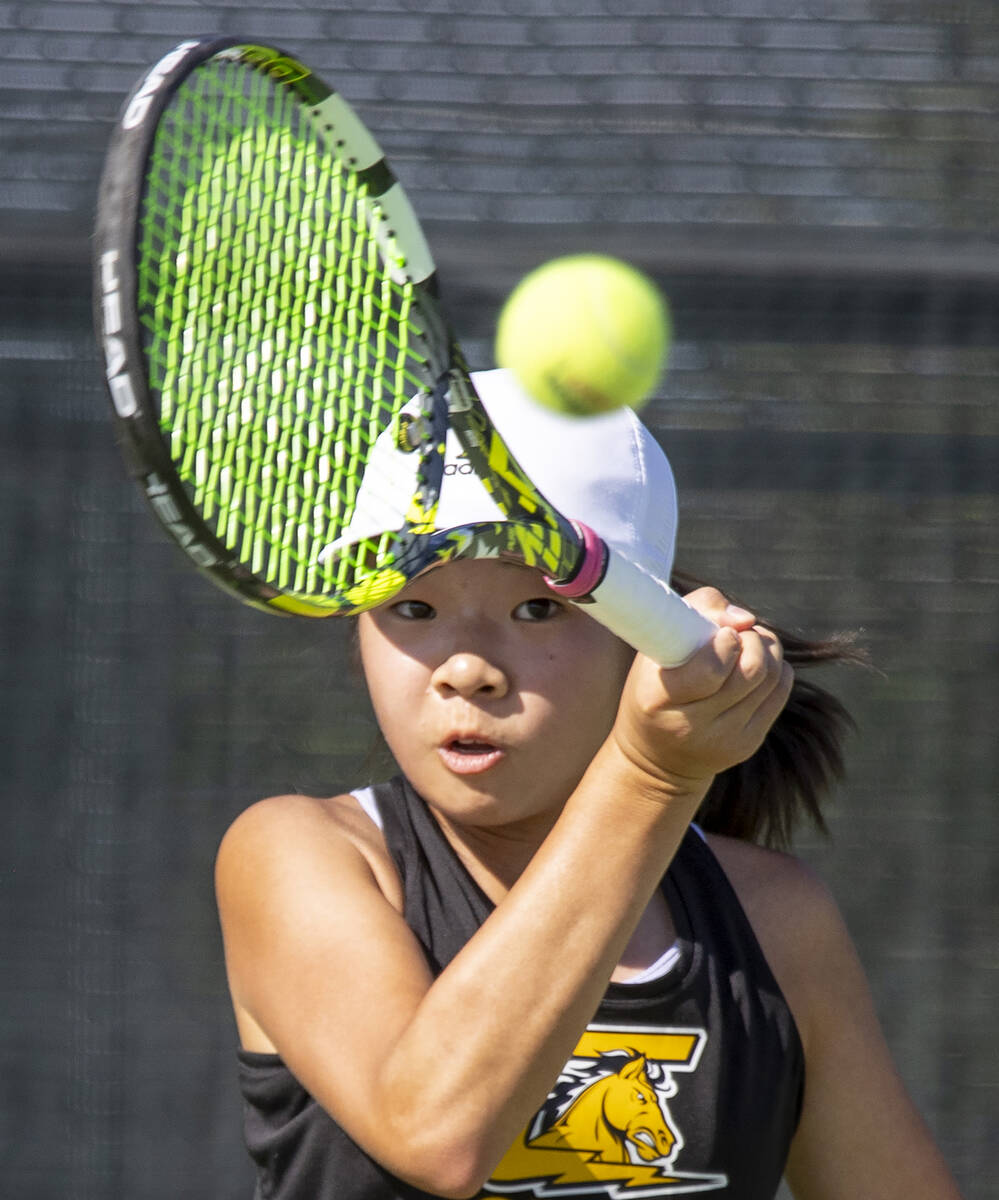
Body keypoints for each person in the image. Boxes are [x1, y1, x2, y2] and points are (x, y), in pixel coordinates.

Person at [215, 369, 962, 1200]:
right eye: (411, 608)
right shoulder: (299, 855)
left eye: (537, 609)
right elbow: (436, 1134)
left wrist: (660, 778)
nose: (465, 668)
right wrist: (649, 776)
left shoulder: (774, 921)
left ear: (640, 631)